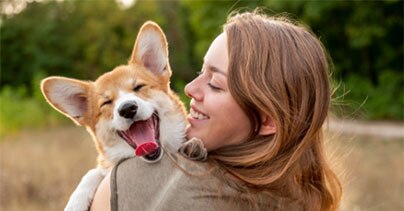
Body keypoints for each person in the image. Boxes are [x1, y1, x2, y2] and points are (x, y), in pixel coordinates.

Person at [90, 11, 342, 211]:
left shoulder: (131, 181)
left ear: (266, 120)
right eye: (201, 73)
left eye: (215, 84)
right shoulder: (304, 198)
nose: (189, 89)